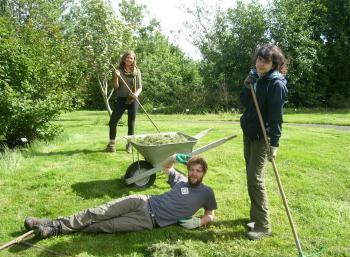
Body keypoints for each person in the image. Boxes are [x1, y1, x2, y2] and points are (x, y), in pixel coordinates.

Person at [23, 154, 217, 239]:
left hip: (149, 222)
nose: (193, 174)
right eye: (192, 169)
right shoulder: (180, 180)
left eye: (198, 171)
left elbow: (210, 214)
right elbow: (166, 166)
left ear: (203, 173)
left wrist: (199, 223)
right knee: (99, 212)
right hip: (143, 201)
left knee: (104, 226)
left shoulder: (207, 193)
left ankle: (57, 228)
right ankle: (53, 226)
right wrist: (174, 156)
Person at [239, 44, 288, 240]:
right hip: (249, 133)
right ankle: (255, 218)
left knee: (255, 179)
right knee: (250, 178)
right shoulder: (255, 78)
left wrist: (274, 144)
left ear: (274, 63)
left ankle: (263, 225)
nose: (261, 63)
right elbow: (244, 102)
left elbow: (276, 117)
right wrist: (246, 85)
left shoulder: (276, 84)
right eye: (259, 59)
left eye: (266, 61)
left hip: (262, 137)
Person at [106, 50, 142, 153]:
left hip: (133, 99)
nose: (129, 59)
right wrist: (116, 76)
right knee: (113, 122)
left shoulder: (137, 71)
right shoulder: (118, 70)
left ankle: (129, 145)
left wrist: (136, 94)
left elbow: (140, 87)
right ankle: (112, 145)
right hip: (121, 99)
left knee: (131, 123)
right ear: (124, 58)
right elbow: (116, 86)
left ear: (134, 59)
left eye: (131, 58)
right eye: (127, 57)